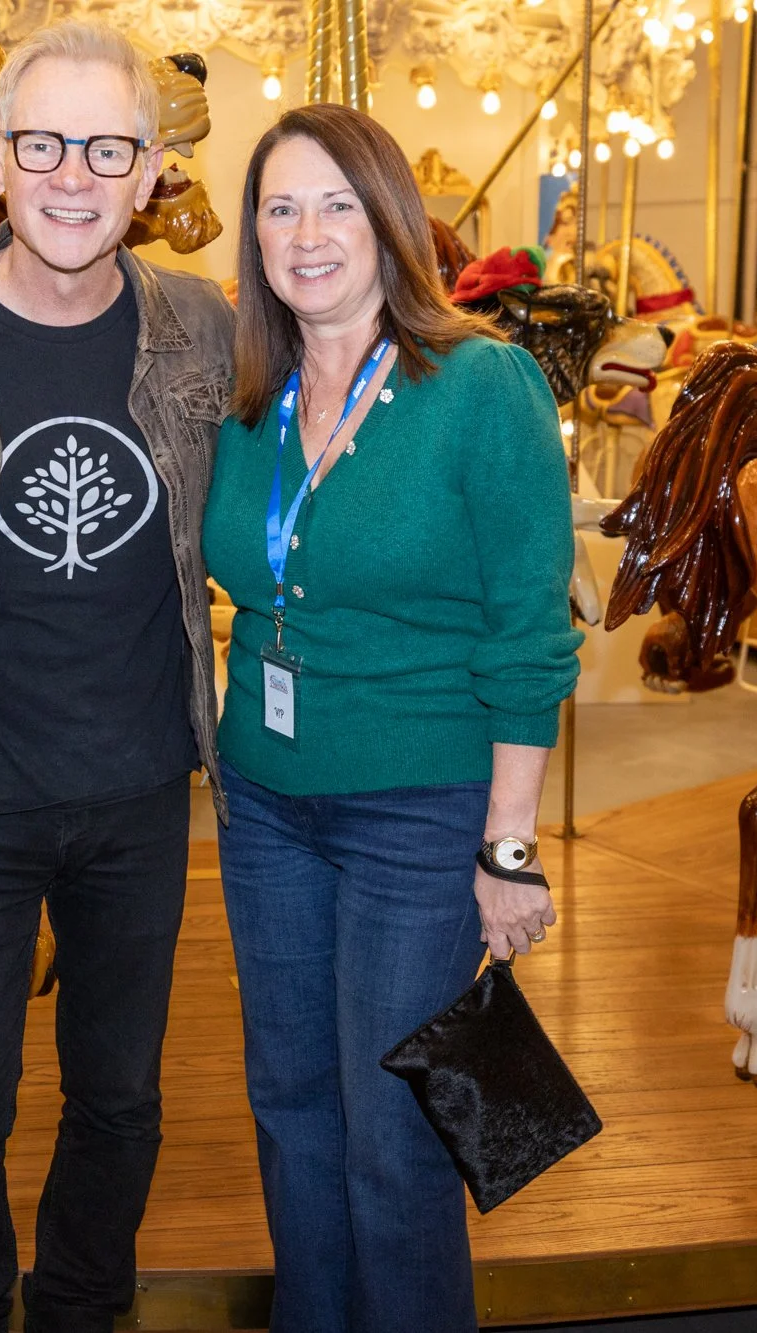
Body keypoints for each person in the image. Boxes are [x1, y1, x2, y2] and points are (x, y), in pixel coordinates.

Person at [201, 104, 581, 1333]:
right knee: (289, 1104)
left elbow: (529, 635)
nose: (306, 234)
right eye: (278, 207)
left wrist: (506, 851)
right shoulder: (244, 397)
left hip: (415, 812)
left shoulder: (478, 385)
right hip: (261, 802)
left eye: (336, 205)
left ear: (389, 222)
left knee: (393, 1129)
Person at [0, 20, 234, 1332]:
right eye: (44, 143)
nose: (73, 175)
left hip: (141, 791)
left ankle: (85, 1312)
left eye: (106, 147)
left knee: (121, 1096)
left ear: (150, 172)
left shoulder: (203, 333)